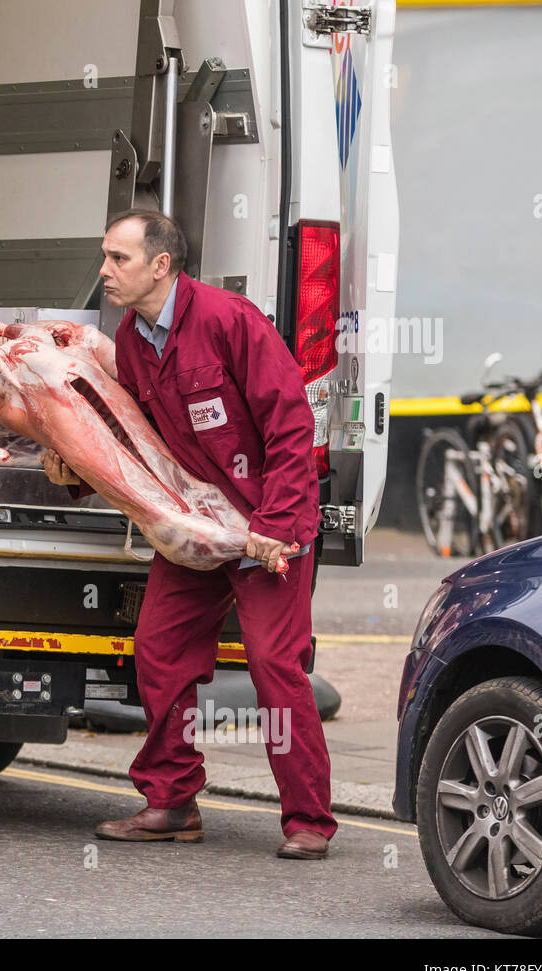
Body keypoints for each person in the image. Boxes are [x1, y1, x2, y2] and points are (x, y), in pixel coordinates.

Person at [43, 208, 336, 859]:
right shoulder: (133, 337)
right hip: (199, 527)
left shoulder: (229, 321)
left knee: (273, 666)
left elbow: (290, 422)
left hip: (267, 526)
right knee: (159, 647)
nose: (105, 271)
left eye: (118, 258)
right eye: (105, 256)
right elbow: (138, 439)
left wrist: (278, 526)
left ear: (160, 265)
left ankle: (308, 819)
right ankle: (172, 801)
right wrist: (75, 474)